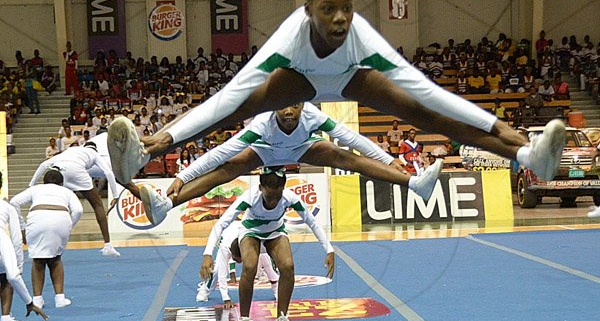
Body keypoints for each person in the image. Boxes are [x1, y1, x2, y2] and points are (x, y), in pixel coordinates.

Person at [108, 0, 565, 187]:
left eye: (347, 7)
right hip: (299, 79)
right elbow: (224, 99)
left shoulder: (362, 37)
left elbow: (429, 90)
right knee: (241, 107)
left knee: (428, 116)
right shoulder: (287, 40)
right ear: (308, 11)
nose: (341, 17)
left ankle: (529, 157)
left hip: (352, 75)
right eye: (329, 9)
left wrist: (504, 129)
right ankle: (143, 154)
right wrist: (163, 141)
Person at [139, 103, 443, 226]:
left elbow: (352, 137)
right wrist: (183, 174)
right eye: (284, 106)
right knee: (226, 170)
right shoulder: (261, 124)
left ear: (302, 105)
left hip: (301, 147)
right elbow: (222, 151)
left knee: (345, 157)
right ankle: (167, 205)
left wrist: (389, 159)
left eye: (295, 106)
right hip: (266, 150)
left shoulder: (312, 116)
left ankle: (416, 185)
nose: (289, 112)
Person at [200, 167, 334, 321]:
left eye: (277, 197)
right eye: (269, 197)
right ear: (260, 187)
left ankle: (282, 319)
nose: (272, 202)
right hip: (250, 232)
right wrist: (207, 253)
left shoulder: (289, 198)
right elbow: (221, 224)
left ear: (283, 190)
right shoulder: (249, 197)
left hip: (275, 232)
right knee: (249, 266)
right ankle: (244, 320)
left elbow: (312, 222)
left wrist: (329, 249)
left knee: (288, 266)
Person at [28, 142, 121, 257]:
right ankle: (108, 245)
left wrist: (31, 185)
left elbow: (44, 164)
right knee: (97, 205)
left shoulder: (70, 150)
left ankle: (48, 241)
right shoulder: (93, 153)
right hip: (77, 170)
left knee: (56, 205)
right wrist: (115, 195)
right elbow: (108, 172)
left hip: (60, 170)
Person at [10, 169, 83, 309]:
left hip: (37, 218)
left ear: (44, 182)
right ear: (62, 183)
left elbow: (14, 202)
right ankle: (60, 298)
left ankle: (37, 299)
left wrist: (21, 226)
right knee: (56, 258)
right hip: (61, 218)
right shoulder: (67, 192)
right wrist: (70, 224)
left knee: (38, 260)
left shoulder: (36, 189)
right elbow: (78, 210)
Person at [0, 172, 48, 321]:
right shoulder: (7, 207)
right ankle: (6, 318)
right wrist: (29, 302)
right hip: (2, 242)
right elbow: (16, 240)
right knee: (7, 276)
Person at [195, 220, 279, 307]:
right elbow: (222, 275)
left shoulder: (253, 241)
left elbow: (268, 258)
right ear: (231, 253)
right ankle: (205, 290)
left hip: (247, 233)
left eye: (241, 260)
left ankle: (276, 290)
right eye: (235, 259)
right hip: (228, 236)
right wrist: (226, 298)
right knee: (217, 270)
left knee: (267, 263)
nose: (239, 262)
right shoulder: (225, 247)